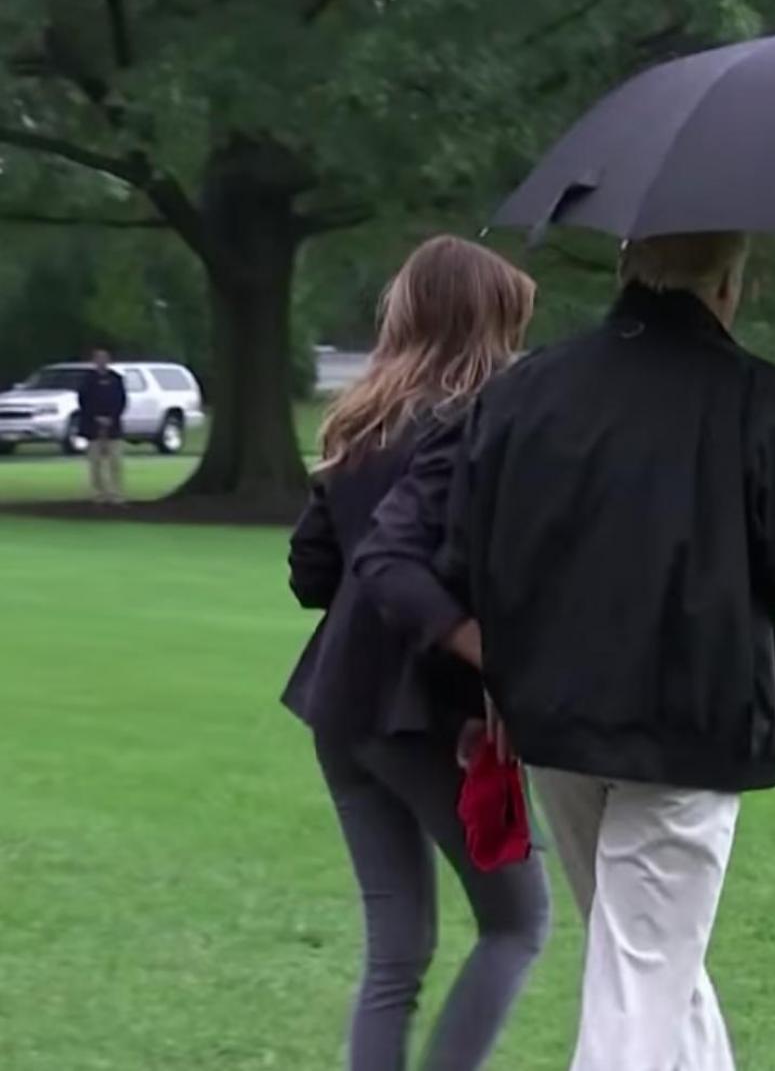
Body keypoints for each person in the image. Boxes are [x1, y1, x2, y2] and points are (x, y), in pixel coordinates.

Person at [354, 231, 775, 1071]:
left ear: (630, 269)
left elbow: (460, 555)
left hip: (552, 725)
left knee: (654, 959)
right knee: (642, 974)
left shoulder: (523, 392)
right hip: (688, 724)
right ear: (726, 286)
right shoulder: (753, 396)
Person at [283, 235, 549, 1071]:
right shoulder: (467, 425)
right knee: (516, 924)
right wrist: (485, 651)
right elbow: (380, 564)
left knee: (396, 952)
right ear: (484, 323)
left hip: (339, 704)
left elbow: (311, 569)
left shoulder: (361, 420)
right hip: (420, 712)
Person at [78, 349, 127, 505]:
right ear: (94, 361)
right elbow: (84, 401)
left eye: (104, 358)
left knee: (115, 461)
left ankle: (115, 493)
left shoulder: (116, 379)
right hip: (93, 428)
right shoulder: (87, 380)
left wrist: (111, 417)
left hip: (113, 427)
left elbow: (121, 400)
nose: (101, 361)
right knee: (95, 462)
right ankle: (99, 493)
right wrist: (96, 417)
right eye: (98, 358)